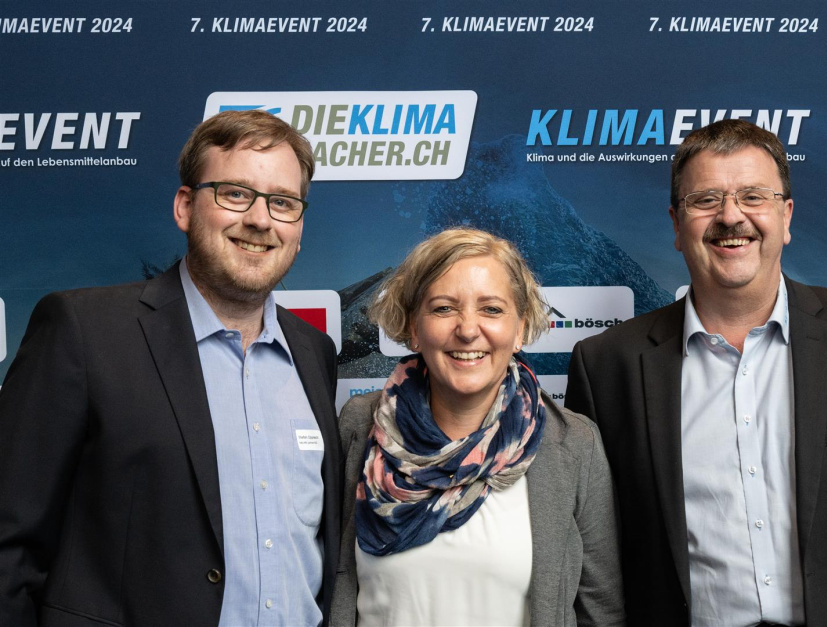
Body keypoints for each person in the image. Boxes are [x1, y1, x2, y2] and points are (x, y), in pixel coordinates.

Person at [565, 118, 827, 626]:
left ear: (786, 216)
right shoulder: (607, 366)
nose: (730, 216)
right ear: (676, 225)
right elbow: (594, 558)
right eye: (705, 200)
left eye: (753, 196)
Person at [0, 110, 342, 626]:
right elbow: (9, 545)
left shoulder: (315, 353)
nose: (260, 219)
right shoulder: (83, 332)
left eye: (283, 202)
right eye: (235, 193)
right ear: (185, 206)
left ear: (299, 226)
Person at [330, 227, 624, 626]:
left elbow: (602, 612)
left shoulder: (573, 444)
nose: (468, 330)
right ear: (414, 328)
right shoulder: (359, 424)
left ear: (520, 328)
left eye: (491, 309)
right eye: (443, 308)